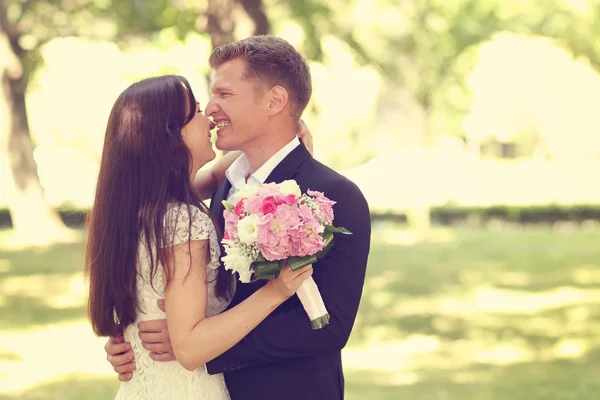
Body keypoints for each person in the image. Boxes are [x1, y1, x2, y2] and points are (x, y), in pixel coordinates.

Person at [106, 35, 371, 400]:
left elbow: (330, 327)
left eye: (224, 95)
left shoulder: (333, 195)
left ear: (274, 101)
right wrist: (131, 337)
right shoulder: (216, 188)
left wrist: (198, 347)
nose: (211, 108)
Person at [86, 74, 314, 400]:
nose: (207, 118)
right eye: (194, 113)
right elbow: (190, 348)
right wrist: (276, 291)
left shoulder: (132, 209)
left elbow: (215, 175)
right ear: (170, 135)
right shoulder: (182, 219)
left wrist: (275, 135)